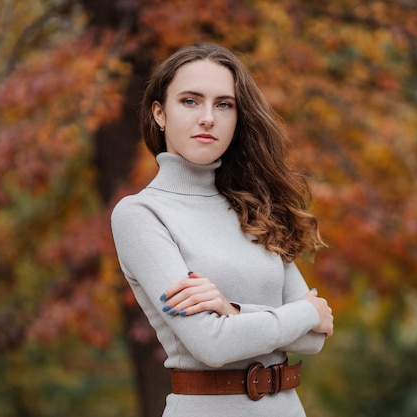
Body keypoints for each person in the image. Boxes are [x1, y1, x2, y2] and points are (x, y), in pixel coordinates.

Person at [111, 43, 333, 417]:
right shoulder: (141, 214)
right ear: (159, 114)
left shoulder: (251, 208)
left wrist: (232, 309)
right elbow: (212, 344)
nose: (208, 118)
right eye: (190, 101)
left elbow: (312, 340)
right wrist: (307, 312)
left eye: (223, 104)